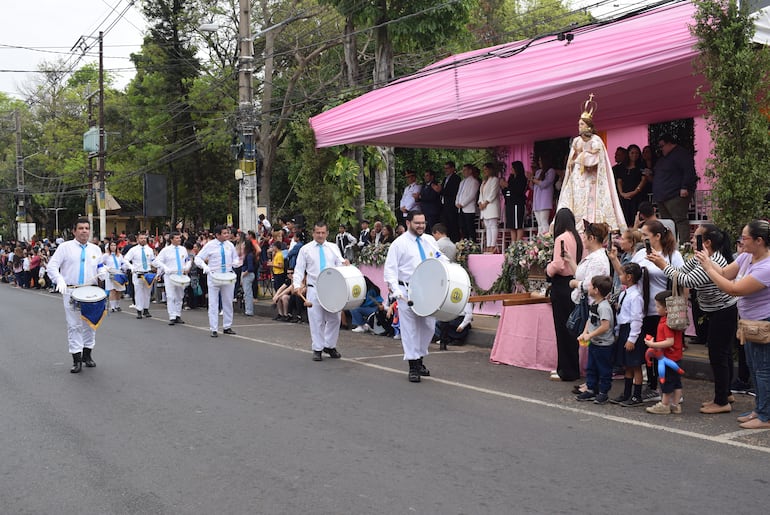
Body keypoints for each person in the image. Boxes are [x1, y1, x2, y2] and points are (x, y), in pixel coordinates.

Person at [648, 223, 737, 414]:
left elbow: (686, 281)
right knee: (723, 353)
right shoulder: (700, 257)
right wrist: (662, 262)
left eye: (696, 237)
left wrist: (663, 265)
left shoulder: (713, 260)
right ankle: (725, 393)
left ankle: (722, 401)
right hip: (716, 310)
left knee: (718, 355)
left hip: (723, 310)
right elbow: (683, 271)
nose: (691, 240)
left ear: (707, 242)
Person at [696, 219, 770, 429]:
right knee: (754, 368)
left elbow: (734, 289)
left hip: (764, 322)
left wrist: (708, 269)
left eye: (745, 238)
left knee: (763, 369)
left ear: (759, 240)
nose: (741, 242)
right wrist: (709, 263)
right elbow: (726, 273)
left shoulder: (766, 266)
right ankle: (760, 409)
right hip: (749, 321)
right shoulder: (747, 256)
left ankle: (766, 415)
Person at [384, 210, 449, 382]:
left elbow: (438, 256)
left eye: (423, 223)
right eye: (417, 223)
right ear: (408, 223)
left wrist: (447, 264)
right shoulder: (399, 244)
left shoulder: (429, 240)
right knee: (410, 329)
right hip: (407, 291)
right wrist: (395, 290)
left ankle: (419, 358)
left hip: (427, 291)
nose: (421, 226)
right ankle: (413, 365)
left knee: (428, 327)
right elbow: (390, 270)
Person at [555, 94, 626, 233]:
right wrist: (575, 159)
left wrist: (581, 156)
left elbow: (595, 160)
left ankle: (591, 227)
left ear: (588, 126)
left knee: (590, 204)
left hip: (591, 179)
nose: (579, 126)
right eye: (579, 124)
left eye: (581, 124)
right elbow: (571, 160)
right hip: (577, 178)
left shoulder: (596, 140)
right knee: (574, 202)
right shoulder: (576, 141)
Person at [46, 218, 109, 373]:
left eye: (87, 228)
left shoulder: (95, 249)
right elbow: (52, 266)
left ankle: (87, 355)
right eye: (80, 228)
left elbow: (100, 267)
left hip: (91, 291)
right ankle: (76, 359)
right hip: (71, 291)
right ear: (74, 231)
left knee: (90, 324)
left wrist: (103, 273)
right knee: (74, 325)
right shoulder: (64, 247)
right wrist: (59, 279)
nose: (84, 231)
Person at [633, 219, 685, 402]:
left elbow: (682, 281)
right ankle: (653, 386)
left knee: (666, 351)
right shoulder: (640, 254)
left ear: (657, 236)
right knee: (650, 350)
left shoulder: (673, 255)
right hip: (645, 308)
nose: (643, 239)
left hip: (665, 310)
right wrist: (615, 260)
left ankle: (670, 389)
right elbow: (630, 274)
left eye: (646, 235)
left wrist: (682, 310)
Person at [293, 221, 348, 360]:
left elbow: (339, 264)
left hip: (331, 288)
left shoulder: (333, 248)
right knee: (316, 319)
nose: (320, 235)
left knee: (335, 318)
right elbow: (299, 269)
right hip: (314, 288)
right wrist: (296, 285)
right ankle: (317, 348)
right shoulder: (305, 249)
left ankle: (329, 345)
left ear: (327, 233)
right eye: (318, 232)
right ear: (313, 233)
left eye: (323, 232)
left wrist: (345, 264)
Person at [565, 221, 611, 383]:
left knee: (594, 346)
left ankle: (595, 383)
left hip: (592, 306)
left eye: (585, 237)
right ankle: (591, 382)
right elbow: (580, 274)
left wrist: (575, 284)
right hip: (589, 304)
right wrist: (570, 260)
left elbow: (591, 284)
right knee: (589, 344)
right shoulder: (594, 257)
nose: (583, 240)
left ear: (591, 238)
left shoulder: (598, 259)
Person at [546, 208, 584, 382]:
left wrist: (548, 269)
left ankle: (565, 370)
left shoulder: (561, 238)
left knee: (562, 328)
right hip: (574, 282)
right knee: (571, 327)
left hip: (561, 285)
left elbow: (558, 265)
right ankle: (572, 368)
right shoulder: (578, 237)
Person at [610, 262, 648, 407]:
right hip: (624, 330)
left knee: (635, 365)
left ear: (629, 277)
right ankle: (626, 393)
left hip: (633, 332)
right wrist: (619, 332)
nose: (620, 276)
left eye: (622, 274)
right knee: (627, 365)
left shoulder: (636, 296)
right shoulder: (625, 293)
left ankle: (636, 395)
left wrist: (632, 339)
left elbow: (637, 319)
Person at [195, 225, 242, 337]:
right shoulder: (210, 245)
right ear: (217, 235)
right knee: (213, 303)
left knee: (228, 302)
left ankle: (227, 326)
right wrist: (205, 267)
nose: (227, 235)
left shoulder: (230, 245)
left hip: (227, 276)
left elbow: (235, 258)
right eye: (224, 233)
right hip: (214, 276)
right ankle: (214, 328)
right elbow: (198, 258)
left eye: (227, 233)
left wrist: (236, 262)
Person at [575, 275, 615, 404]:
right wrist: (585, 332)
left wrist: (590, 335)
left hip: (604, 345)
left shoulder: (604, 307)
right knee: (591, 367)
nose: (589, 288)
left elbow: (605, 326)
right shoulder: (594, 303)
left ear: (596, 290)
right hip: (594, 343)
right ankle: (591, 389)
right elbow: (590, 319)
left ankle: (603, 392)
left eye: (591, 286)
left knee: (604, 369)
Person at [652, 134, 698, 244]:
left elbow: (689, 171)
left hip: (675, 194)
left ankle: (684, 245)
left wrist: (685, 187)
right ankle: (669, 244)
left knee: (679, 219)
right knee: (667, 222)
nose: (661, 148)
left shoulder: (681, 154)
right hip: (663, 195)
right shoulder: (664, 158)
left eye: (662, 146)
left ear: (669, 143)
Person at [644, 290, 685, 415]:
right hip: (676, 356)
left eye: (658, 306)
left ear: (666, 309)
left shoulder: (666, 323)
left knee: (666, 381)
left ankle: (665, 404)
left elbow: (669, 341)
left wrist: (652, 345)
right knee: (676, 382)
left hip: (668, 357)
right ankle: (675, 405)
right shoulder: (674, 320)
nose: (656, 308)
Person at [152, 231, 191, 325]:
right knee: (170, 296)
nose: (179, 239)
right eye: (177, 238)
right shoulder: (166, 250)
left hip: (181, 275)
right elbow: (156, 262)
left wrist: (187, 266)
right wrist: (165, 267)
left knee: (180, 295)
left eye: (179, 238)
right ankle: (172, 316)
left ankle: (178, 314)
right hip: (170, 275)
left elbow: (188, 259)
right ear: (171, 239)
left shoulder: (183, 249)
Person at [124, 232, 156, 319]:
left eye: (144, 238)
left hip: (147, 273)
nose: (143, 240)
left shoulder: (149, 250)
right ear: (138, 239)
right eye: (141, 238)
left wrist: (158, 266)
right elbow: (126, 259)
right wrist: (131, 267)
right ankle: (139, 310)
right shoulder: (133, 250)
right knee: (138, 292)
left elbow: (153, 261)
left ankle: (146, 309)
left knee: (147, 292)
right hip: (138, 273)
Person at [617, 144, 649, 227]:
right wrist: (622, 193)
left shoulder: (642, 165)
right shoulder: (622, 166)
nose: (634, 155)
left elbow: (644, 180)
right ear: (628, 154)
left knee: (637, 218)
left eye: (637, 153)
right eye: (632, 153)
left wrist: (634, 192)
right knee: (625, 218)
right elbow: (619, 180)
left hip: (638, 197)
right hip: (624, 197)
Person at [500, 160, 528, 242]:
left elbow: (518, 191)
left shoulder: (522, 178)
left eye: (512, 168)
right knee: (512, 225)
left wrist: (508, 185)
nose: (511, 169)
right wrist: (503, 187)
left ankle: (518, 243)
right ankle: (513, 243)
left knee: (518, 225)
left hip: (517, 204)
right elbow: (507, 191)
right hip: (509, 203)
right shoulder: (511, 178)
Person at [478, 162, 501, 253]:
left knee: (493, 225)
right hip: (484, 207)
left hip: (491, 206)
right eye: (484, 169)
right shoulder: (484, 181)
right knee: (487, 226)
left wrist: (486, 202)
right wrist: (480, 202)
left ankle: (493, 245)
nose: (485, 171)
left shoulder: (495, 180)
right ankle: (488, 245)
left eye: (486, 169)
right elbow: (481, 194)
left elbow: (493, 193)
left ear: (491, 170)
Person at [530, 156, 556, 235]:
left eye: (541, 161)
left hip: (544, 201)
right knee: (539, 224)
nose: (539, 162)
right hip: (537, 201)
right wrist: (531, 180)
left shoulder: (551, 171)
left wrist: (534, 180)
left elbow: (544, 184)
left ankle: (546, 240)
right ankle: (539, 242)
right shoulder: (538, 172)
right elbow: (533, 187)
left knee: (544, 222)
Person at [455, 163, 480, 241]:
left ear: (470, 171)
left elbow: (471, 195)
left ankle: (472, 243)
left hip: (469, 208)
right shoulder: (462, 182)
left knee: (470, 227)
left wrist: (462, 203)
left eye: (465, 170)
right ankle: (465, 243)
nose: (463, 172)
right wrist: (457, 202)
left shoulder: (474, 181)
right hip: (460, 209)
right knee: (463, 227)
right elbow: (459, 193)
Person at [440, 161, 462, 242]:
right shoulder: (445, 179)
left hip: (452, 205)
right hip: (444, 205)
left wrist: (442, 191)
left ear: (453, 168)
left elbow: (453, 191)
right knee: (446, 224)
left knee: (453, 224)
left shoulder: (456, 178)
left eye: (447, 168)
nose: (446, 170)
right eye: (445, 168)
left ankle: (455, 241)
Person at [102, 240, 127, 313]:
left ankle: (117, 305)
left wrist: (124, 267)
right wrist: (106, 268)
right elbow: (101, 263)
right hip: (110, 273)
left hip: (119, 273)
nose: (113, 247)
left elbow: (123, 263)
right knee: (112, 290)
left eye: (114, 245)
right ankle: (112, 306)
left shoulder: (119, 255)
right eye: (111, 245)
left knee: (119, 290)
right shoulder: (106, 256)